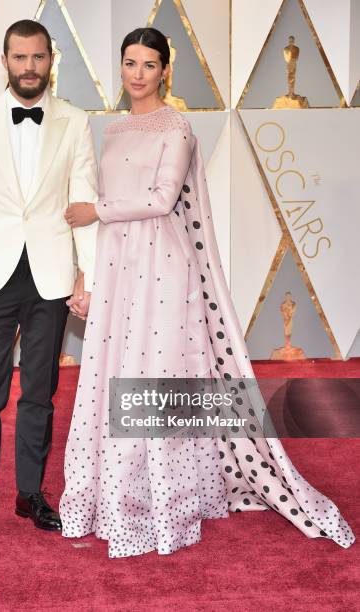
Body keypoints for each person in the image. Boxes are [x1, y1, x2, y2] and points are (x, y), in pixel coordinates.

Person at [59, 27, 355, 558]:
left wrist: (94, 211)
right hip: (118, 264)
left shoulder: (178, 128)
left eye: (150, 64)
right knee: (113, 373)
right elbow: (103, 204)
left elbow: (160, 197)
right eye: (130, 62)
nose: (138, 73)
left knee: (156, 375)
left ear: (165, 71)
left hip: (164, 264)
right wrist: (87, 277)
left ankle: (169, 497)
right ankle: (118, 493)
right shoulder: (112, 130)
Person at [0, 19, 98, 547]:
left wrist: (87, 276)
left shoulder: (76, 122)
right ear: (4, 61)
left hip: (50, 278)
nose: (29, 67)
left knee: (40, 394)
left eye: (38, 57)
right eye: (19, 57)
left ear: (51, 59)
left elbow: (83, 207)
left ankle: (31, 495)